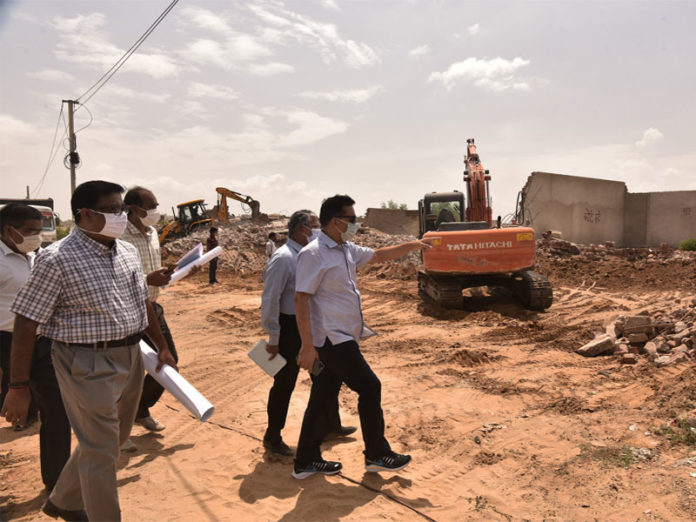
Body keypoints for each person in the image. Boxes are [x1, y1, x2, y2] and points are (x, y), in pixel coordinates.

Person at [1, 180, 176, 521]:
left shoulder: (125, 251)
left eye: (121, 210)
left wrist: (163, 347)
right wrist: (19, 386)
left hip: (130, 355)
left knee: (114, 438)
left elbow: (142, 304)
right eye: (111, 210)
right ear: (85, 215)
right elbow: (25, 324)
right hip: (84, 360)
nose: (120, 216)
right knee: (101, 451)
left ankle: (63, 500)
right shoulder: (56, 259)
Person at [292, 195, 434, 479]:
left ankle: (305, 460)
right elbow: (300, 299)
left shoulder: (345, 249)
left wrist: (415, 245)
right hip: (332, 339)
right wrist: (307, 347)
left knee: (322, 397)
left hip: (344, 336)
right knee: (370, 387)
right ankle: (377, 454)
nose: (356, 224)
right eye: (352, 219)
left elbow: (379, 254)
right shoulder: (314, 254)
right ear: (336, 221)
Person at [261, 210, 356, 456]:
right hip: (289, 331)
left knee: (325, 377)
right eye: (315, 226)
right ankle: (272, 436)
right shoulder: (283, 258)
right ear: (302, 229)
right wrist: (273, 338)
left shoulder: (309, 255)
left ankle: (330, 425)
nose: (319, 230)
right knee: (285, 382)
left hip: (309, 327)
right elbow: (270, 299)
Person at [0, 203, 71, 493]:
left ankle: (57, 481)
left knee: (57, 409)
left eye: (38, 231)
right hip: (4, 342)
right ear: (8, 230)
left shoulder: (39, 256)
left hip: (40, 343)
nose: (37, 237)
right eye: (30, 232)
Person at [121, 186, 178, 435]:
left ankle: (140, 409)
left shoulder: (153, 232)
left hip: (152, 307)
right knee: (126, 371)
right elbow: (116, 278)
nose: (156, 211)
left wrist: (177, 272)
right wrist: (147, 280)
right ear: (134, 208)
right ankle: (120, 426)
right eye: (151, 206)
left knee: (168, 359)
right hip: (127, 310)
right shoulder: (120, 235)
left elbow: (154, 273)